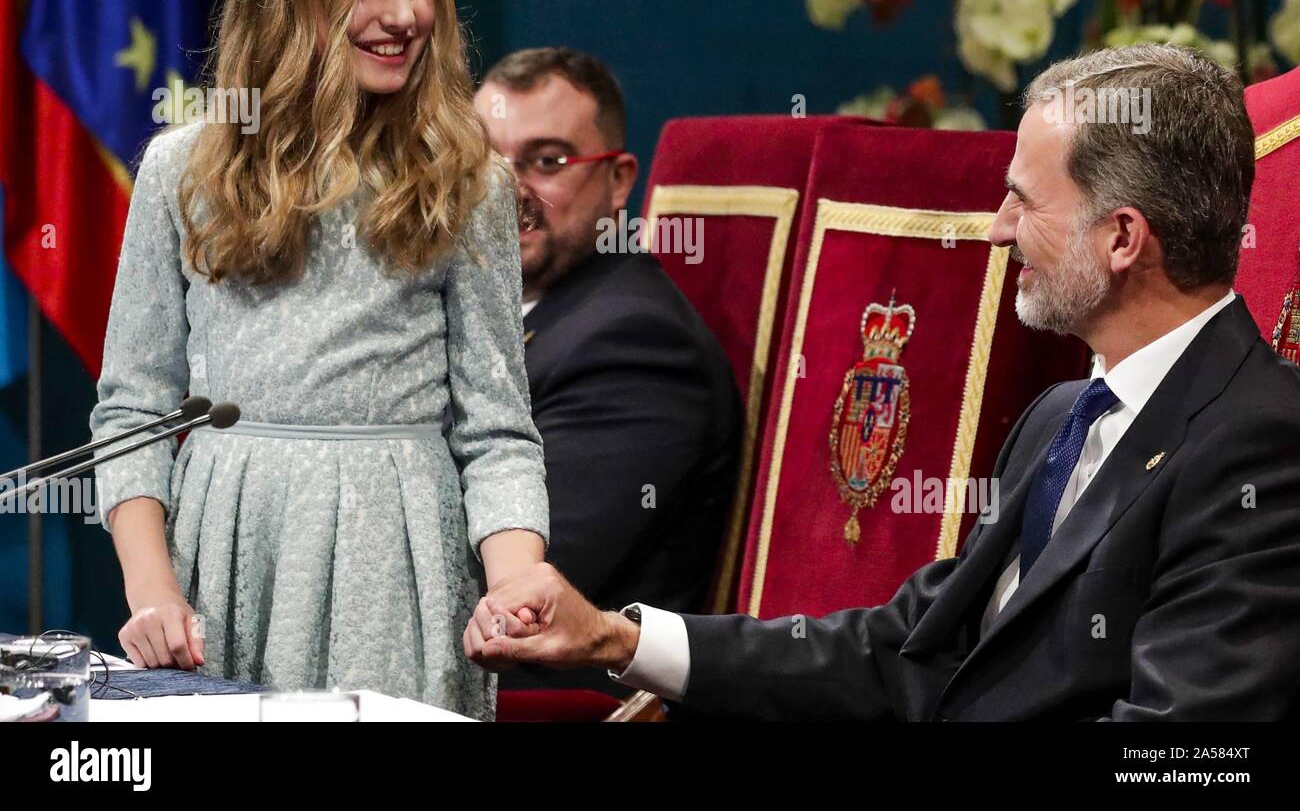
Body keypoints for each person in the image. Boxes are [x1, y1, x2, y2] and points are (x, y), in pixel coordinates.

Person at [464, 43, 1300, 721]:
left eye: (1022, 201)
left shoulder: (1260, 444)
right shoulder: (1059, 416)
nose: (999, 229)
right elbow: (906, 649)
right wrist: (618, 639)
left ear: (1122, 238)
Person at [90, 0, 548, 721]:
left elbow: (497, 431)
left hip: (398, 571)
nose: (402, 13)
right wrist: (152, 592)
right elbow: (133, 411)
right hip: (227, 561)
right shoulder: (183, 172)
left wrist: (516, 579)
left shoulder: (467, 178)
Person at [473, 48, 741, 693]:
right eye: (482, 157)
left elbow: (510, 599)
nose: (505, 188)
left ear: (619, 181)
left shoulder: (635, 344)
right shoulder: (480, 301)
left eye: (547, 161)